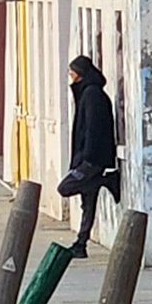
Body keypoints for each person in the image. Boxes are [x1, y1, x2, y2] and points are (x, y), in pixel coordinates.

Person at [59, 56, 120, 257]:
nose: (70, 75)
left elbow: (93, 129)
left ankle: (105, 181)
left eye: (72, 71)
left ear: (81, 73)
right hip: (88, 157)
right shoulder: (86, 93)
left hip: (91, 158)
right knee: (88, 202)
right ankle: (81, 243)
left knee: (65, 187)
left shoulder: (92, 94)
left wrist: (87, 158)